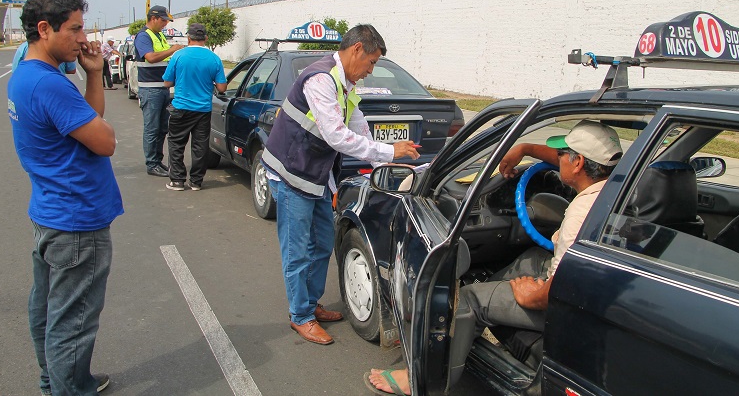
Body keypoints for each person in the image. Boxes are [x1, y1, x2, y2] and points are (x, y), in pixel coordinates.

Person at [366, 120, 623, 395]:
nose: (557, 158)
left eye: (562, 155)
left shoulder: (580, 215)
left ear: (579, 163)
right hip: (602, 296)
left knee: (470, 298)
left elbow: (560, 291)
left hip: (567, 309)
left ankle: (420, 378)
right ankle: (490, 327)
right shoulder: (621, 185)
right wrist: (523, 148)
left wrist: (529, 296)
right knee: (531, 257)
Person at [261, 24, 421, 345]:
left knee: (322, 243)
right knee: (296, 251)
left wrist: (387, 167)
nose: (371, 71)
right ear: (357, 49)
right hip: (292, 174)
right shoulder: (321, 80)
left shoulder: (344, 84)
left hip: (316, 176)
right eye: (371, 62)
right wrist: (389, 150)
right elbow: (336, 135)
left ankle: (310, 303)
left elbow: (359, 126)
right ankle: (300, 316)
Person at [8, 0, 124, 395]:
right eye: (74, 29)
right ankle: (67, 389)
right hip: (77, 219)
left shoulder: (28, 73)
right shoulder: (49, 85)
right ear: (45, 29)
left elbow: (85, 121)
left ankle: (60, 381)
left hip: (51, 212)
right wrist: (91, 81)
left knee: (47, 312)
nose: (82, 38)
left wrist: (94, 73)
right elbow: (104, 140)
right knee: (72, 323)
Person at [162, 23, 227, 191]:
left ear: (188, 38)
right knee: (200, 146)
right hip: (203, 110)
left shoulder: (178, 56)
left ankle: (177, 181)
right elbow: (222, 88)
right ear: (205, 38)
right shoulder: (214, 58)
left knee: (176, 143)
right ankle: (196, 181)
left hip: (181, 107)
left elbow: (167, 82)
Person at [133, 5, 183, 177]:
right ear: (153, 18)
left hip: (162, 88)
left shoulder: (158, 35)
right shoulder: (143, 36)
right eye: (163, 21)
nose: (165, 25)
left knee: (162, 127)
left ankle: (158, 161)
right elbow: (151, 57)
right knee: (152, 128)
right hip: (150, 90)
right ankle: (151, 163)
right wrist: (172, 50)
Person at [12, 40, 77, 74]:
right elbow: (72, 70)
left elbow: (15, 72)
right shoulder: (62, 47)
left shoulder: (23, 47)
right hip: (57, 89)